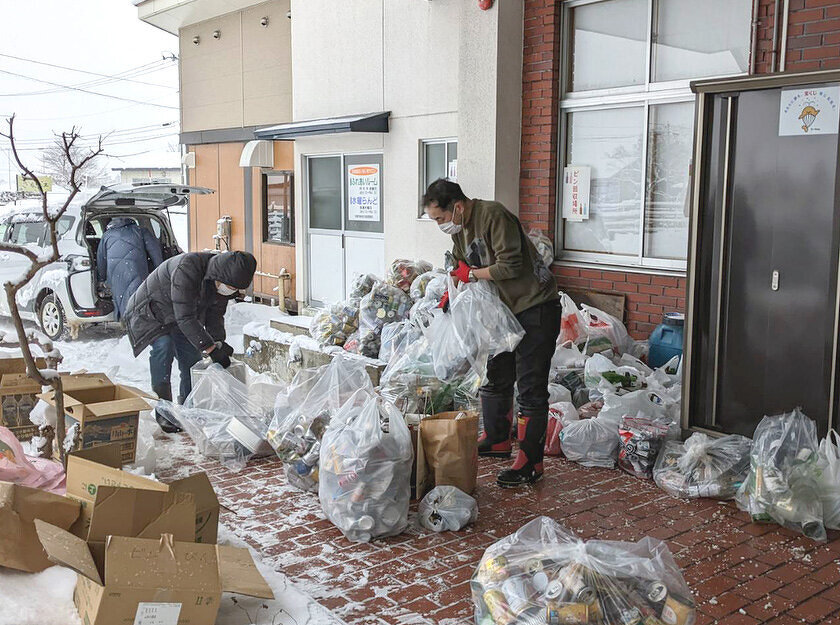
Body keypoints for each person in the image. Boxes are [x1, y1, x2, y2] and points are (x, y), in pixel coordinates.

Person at [423, 178, 560, 488]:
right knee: (496, 373)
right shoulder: (460, 229)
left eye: (441, 219)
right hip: (504, 312)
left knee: (530, 387)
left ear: (457, 207)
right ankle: (497, 439)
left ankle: (531, 462)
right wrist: (452, 289)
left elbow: (509, 265)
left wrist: (470, 274)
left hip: (535, 307)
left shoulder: (493, 216)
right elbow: (461, 262)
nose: (440, 225)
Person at [124, 250, 258, 432]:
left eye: (234, 289)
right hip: (151, 312)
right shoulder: (188, 268)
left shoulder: (219, 283)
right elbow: (185, 317)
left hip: (179, 315)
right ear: (218, 275)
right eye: (228, 286)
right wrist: (210, 348)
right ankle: (164, 411)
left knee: (191, 359)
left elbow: (215, 315)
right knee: (164, 347)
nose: (230, 290)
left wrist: (218, 342)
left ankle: (189, 409)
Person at [96, 217, 164, 319]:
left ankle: (124, 321)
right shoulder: (141, 231)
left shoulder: (106, 236)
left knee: (121, 299)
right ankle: (137, 323)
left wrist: (101, 278)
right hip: (137, 270)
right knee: (137, 299)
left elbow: (101, 259)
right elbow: (155, 253)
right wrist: (160, 271)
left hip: (115, 273)